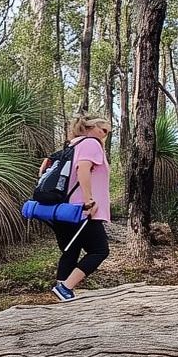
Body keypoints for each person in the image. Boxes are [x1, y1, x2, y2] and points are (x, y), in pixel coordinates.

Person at [45, 116, 112, 302]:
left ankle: (62, 293)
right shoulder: (91, 143)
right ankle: (65, 287)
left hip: (63, 209)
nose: (105, 136)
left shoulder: (71, 146)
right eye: (103, 130)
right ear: (91, 127)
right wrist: (89, 200)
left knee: (71, 250)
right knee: (99, 250)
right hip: (82, 209)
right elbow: (83, 170)